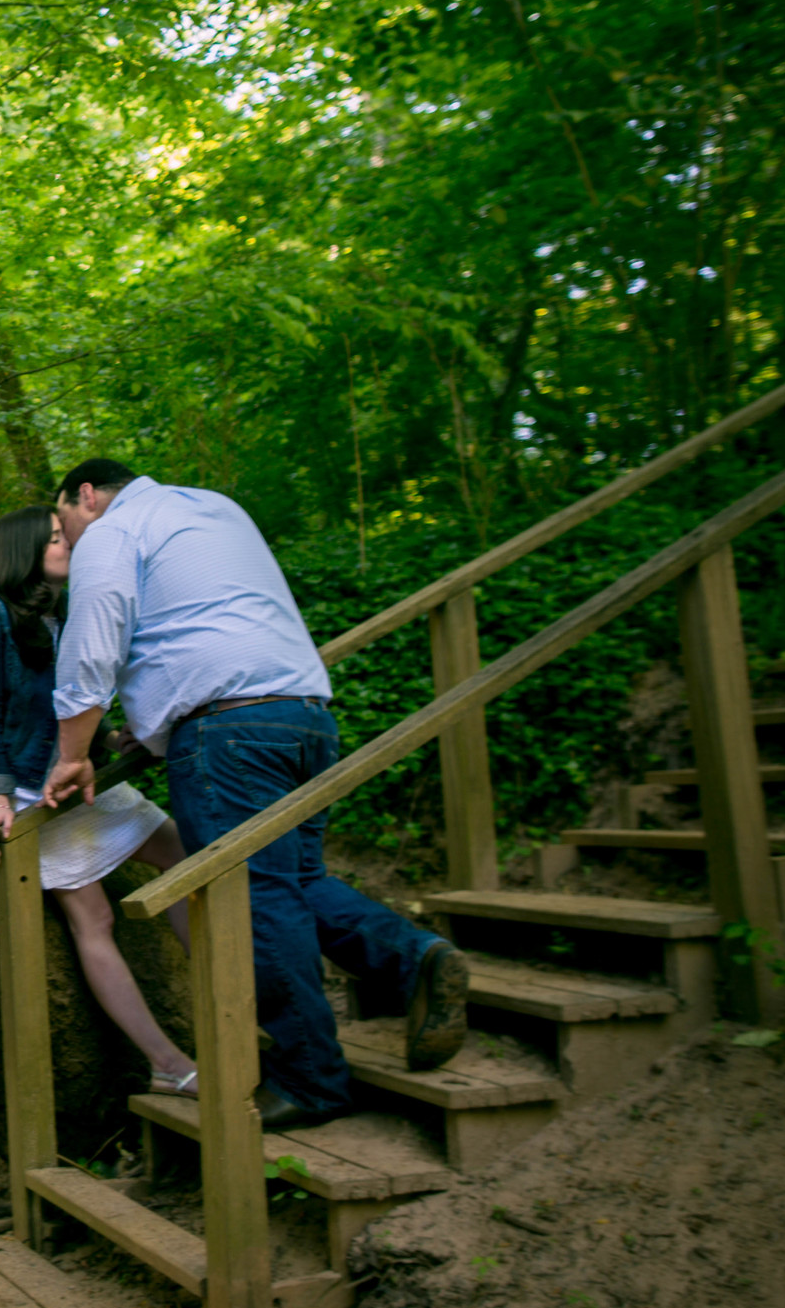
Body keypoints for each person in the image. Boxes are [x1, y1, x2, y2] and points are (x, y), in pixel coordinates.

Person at [32, 459, 468, 1130]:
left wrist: (72, 756)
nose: (66, 535)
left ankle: (311, 1080)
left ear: (85, 495)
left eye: (63, 519)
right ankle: (415, 959)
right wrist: (151, 725)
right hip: (304, 715)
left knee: (253, 898)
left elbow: (94, 645)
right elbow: (209, 621)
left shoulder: (115, 530)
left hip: (228, 733)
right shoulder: (212, 508)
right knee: (295, 880)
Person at [0, 505, 203, 1097]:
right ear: (22, 550)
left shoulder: (62, 613)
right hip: (23, 785)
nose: (67, 543)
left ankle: (239, 1006)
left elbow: (71, 699)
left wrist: (110, 740)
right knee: (93, 919)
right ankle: (168, 1064)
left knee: (185, 856)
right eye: (54, 538)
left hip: (70, 773)